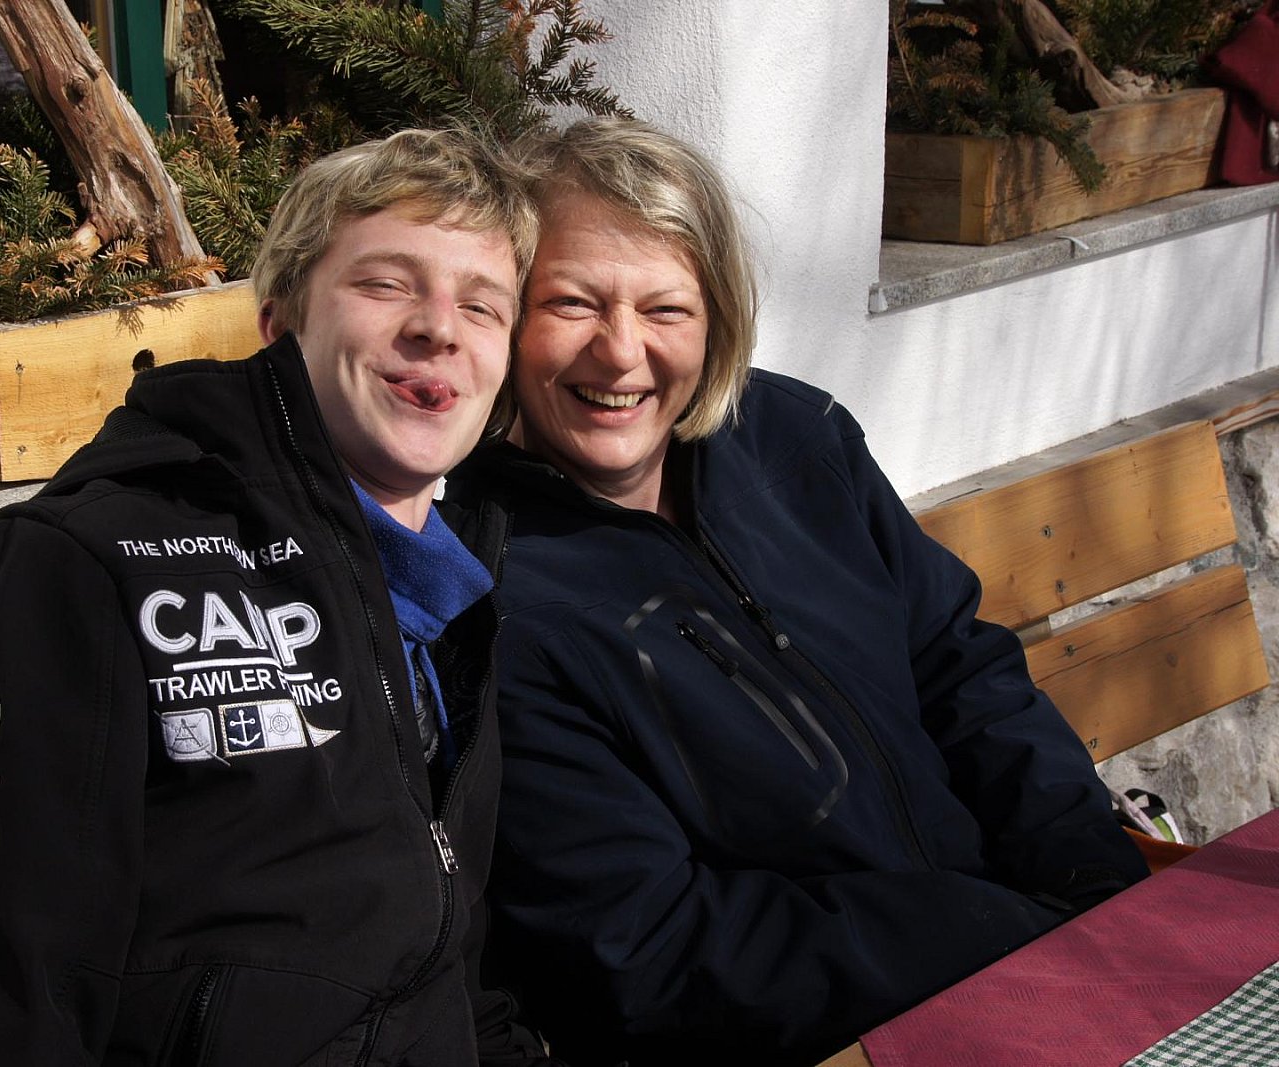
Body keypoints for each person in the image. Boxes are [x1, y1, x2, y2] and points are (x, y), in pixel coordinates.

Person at [445, 118, 1149, 1066]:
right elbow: (647, 944)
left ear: (717, 318)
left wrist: (1093, 878)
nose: (620, 352)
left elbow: (961, 668)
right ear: (505, 318)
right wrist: (994, 937)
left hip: (1017, 945)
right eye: (573, 303)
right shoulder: (493, 596)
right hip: (834, 1033)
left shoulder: (791, 435)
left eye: (666, 308)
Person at [0, 126, 558, 1066]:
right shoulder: (81, 564)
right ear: (280, 326)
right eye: (386, 283)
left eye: (481, 306)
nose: (439, 326)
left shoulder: (452, 595)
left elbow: (449, 973)